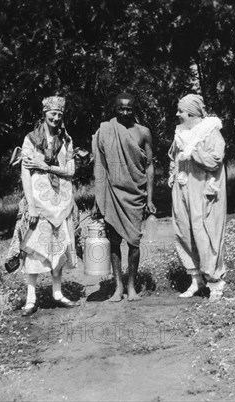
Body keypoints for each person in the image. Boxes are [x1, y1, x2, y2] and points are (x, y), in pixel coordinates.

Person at [92, 92, 156, 302]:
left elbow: (149, 166)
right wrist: (98, 199)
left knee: (134, 242)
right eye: (122, 108)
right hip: (112, 192)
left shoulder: (143, 132)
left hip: (136, 194)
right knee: (114, 240)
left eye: (129, 109)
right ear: (115, 108)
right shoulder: (106, 130)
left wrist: (150, 199)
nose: (125, 112)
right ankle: (118, 287)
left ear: (135, 109)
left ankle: (132, 286)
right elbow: (100, 167)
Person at [18, 95, 79, 316]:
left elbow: (71, 170)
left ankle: (57, 292)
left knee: (58, 247)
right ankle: (30, 298)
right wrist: (31, 206)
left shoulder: (66, 140)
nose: (55, 118)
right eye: (52, 114)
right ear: (44, 114)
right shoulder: (31, 139)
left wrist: (46, 166)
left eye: (59, 115)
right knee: (35, 249)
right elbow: (26, 173)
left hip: (61, 203)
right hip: (39, 202)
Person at [168, 94, 227, 301]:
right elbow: (176, 159)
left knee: (205, 233)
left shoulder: (210, 132)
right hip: (182, 188)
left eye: (181, 111)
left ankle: (215, 282)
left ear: (192, 113)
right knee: (184, 231)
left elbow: (214, 161)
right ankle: (196, 279)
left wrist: (192, 151)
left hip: (203, 192)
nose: (177, 114)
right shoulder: (181, 133)